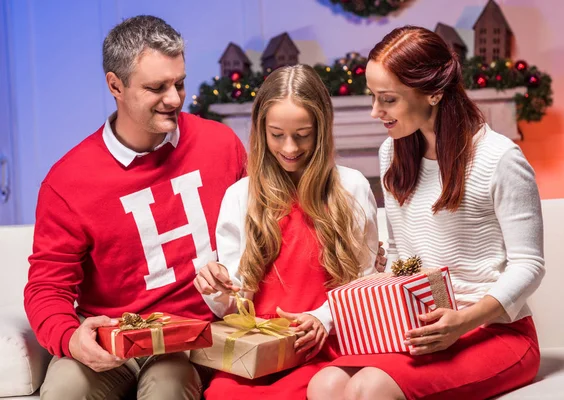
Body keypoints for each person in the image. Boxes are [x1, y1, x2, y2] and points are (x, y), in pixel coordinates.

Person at [308, 26, 545, 400]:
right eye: (373, 97)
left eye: (387, 99)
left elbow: (529, 266)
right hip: (424, 328)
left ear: (434, 92)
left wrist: (462, 320)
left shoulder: (499, 158)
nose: (375, 112)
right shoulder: (393, 152)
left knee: (369, 388)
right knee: (325, 384)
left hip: (495, 331)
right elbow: (404, 260)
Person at [23, 15, 246, 400]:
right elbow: (48, 285)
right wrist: (70, 338)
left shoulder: (221, 144)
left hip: (195, 337)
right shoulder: (68, 181)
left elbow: (259, 234)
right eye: (157, 87)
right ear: (116, 85)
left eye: (179, 83)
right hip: (115, 336)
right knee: (64, 389)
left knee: (167, 386)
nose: (175, 99)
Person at [194, 64, 380, 400]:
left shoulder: (351, 187)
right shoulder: (240, 196)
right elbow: (234, 307)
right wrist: (216, 287)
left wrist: (323, 318)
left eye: (303, 134)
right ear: (261, 130)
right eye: (277, 134)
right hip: (261, 353)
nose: (290, 147)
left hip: (329, 347)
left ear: (322, 130)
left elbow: (364, 281)